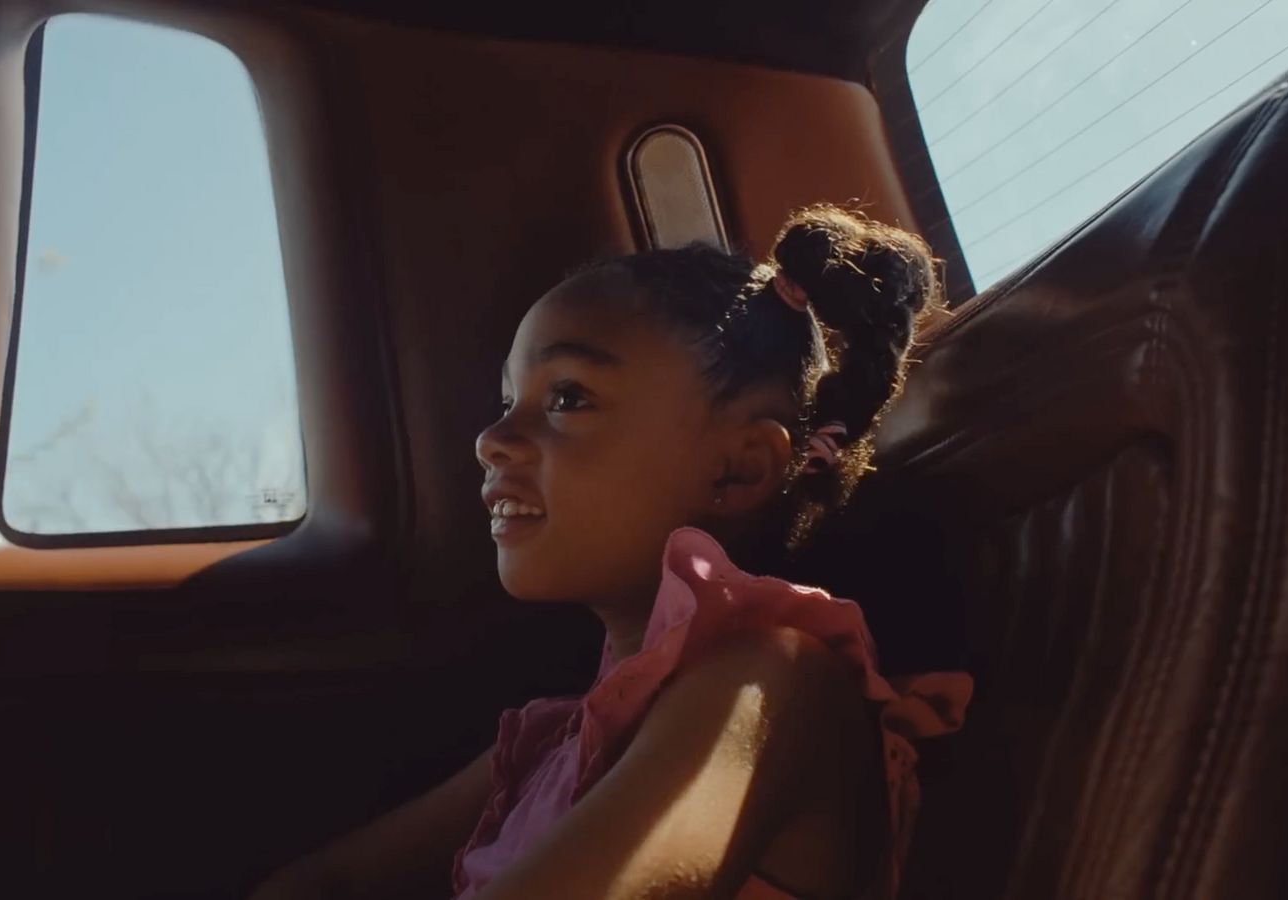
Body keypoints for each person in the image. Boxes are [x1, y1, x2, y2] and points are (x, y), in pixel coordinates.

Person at [252, 204, 971, 900]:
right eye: (506, 399)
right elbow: (326, 884)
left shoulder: (770, 686)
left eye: (567, 398)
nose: (492, 439)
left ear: (741, 468)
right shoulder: (565, 734)